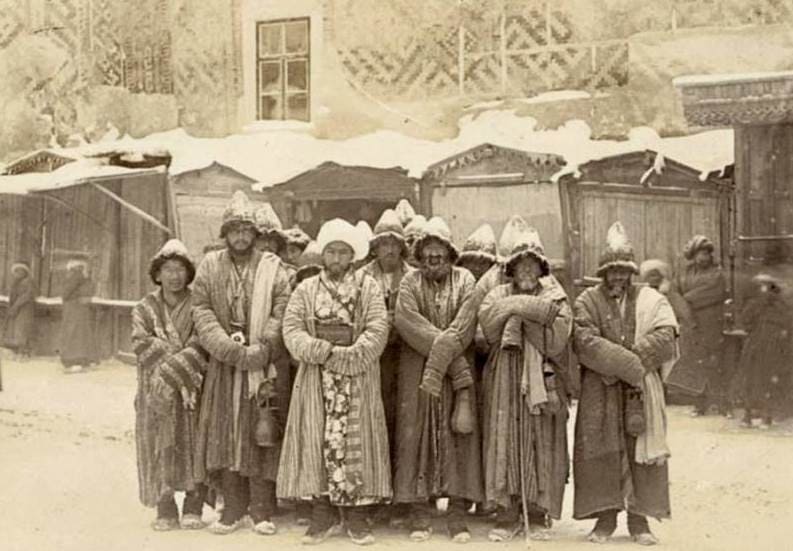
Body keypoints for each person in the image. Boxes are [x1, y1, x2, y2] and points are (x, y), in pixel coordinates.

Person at [278, 218, 391, 546]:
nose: (338, 259)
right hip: (316, 379)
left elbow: (377, 329)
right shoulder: (306, 288)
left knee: (359, 444)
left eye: (344, 252)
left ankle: (356, 519)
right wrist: (321, 350)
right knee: (316, 441)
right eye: (332, 252)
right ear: (323, 255)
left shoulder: (368, 287)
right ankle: (322, 516)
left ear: (353, 256)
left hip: (357, 377)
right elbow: (291, 329)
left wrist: (350, 355)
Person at [192, 191, 292, 535]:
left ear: (256, 234)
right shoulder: (209, 265)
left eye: (247, 231)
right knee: (226, 434)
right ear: (225, 233)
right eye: (234, 230)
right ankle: (232, 509)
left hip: (262, 366)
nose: (240, 237)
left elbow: (282, 308)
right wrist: (229, 349)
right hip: (224, 366)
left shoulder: (272, 267)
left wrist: (262, 348)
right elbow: (201, 309)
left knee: (261, 431)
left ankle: (261, 510)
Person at [573, 222, 678, 546]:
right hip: (600, 390)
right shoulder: (587, 300)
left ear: (631, 273)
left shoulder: (649, 298)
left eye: (623, 271)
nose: (617, 277)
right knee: (601, 450)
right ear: (603, 273)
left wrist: (632, 362)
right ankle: (604, 520)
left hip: (639, 389)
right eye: (612, 271)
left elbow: (667, 335)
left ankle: (639, 521)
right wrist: (626, 364)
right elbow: (584, 340)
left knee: (640, 453)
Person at [478, 226, 573, 542]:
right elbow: (489, 327)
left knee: (539, 439)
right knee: (504, 438)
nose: (527, 270)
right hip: (504, 374)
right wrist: (529, 311)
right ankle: (506, 512)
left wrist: (517, 311)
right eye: (521, 265)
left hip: (542, 377)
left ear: (542, 269)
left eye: (533, 265)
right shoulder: (496, 293)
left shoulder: (555, 295)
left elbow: (557, 337)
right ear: (512, 268)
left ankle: (535, 510)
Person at [393, 216, 483, 543]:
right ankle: (420, 511)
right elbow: (407, 321)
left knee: (458, 434)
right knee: (416, 434)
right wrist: (453, 362)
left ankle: (457, 513)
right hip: (419, 368)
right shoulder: (409, 282)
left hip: (455, 365)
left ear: (450, 253)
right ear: (420, 255)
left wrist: (449, 356)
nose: (434, 258)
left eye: (440, 252)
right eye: (428, 252)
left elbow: (466, 323)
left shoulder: (466, 280)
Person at [132, 239, 208, 531]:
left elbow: (202, 341)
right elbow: (140, 341)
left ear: (188, 274)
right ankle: (165, 508)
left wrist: (175, 365)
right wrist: (171, 364)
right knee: (159, 443)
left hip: (191, 388)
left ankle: (193, 505)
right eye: (168, 269)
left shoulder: (199, 305)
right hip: (157, 389)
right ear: (158, 273)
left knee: (193, 442)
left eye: (180, 269)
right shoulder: (144, 307)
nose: (174, 276)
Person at [357, 209, 414, 526]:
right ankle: (374, 496)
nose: (389, 250)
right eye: (383, 244)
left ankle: (402, 500)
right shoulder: (362, 276)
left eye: (395, 244)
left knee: (402, 424)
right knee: (372, 423)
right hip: (372, 360)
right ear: (375, 247)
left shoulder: (412, 275)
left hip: (405, 358)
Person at [670, 235, 727, 416]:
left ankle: (718, 402)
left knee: (714, 363)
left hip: (710, 324)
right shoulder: (683, 273)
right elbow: (673, 293)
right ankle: (698, 403)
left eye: (706, 254)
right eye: (699, 254)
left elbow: (713, 292)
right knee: (694, 363)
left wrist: (686, 298)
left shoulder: (717, 273)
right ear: (693, 256)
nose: (703, 258)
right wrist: (685, 310)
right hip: (690, 324)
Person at [734, 274, 792, 429]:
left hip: (771, 347)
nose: (763, 291)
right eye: (760, 287)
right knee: (749, 380)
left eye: (766, 287)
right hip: (755, 346)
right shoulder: (754, 305)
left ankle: (766, 416)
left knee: (766, 381)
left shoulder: (780, 307)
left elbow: (787, 326)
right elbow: (746, 322)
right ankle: (748, 416)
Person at [60, 258, 95, 373]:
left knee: (73, 333)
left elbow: (65, 293)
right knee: (81, 334)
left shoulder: (75, 276)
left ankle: (74, 360)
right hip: (81, 309)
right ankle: (84, 360)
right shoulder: (86, 278)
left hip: (73, 309)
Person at [3, 262, 37, 358]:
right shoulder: (15, 283)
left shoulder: (29, 282)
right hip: (16, 310)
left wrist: (16, 306)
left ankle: (24, 352)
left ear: (25, 272)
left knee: (23, 330)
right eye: (16, 271)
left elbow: (27, 295)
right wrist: (12, 307)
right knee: (16, 330)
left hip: (25, 310)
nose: (18, 273)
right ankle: (17, 351)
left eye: (21, 271)